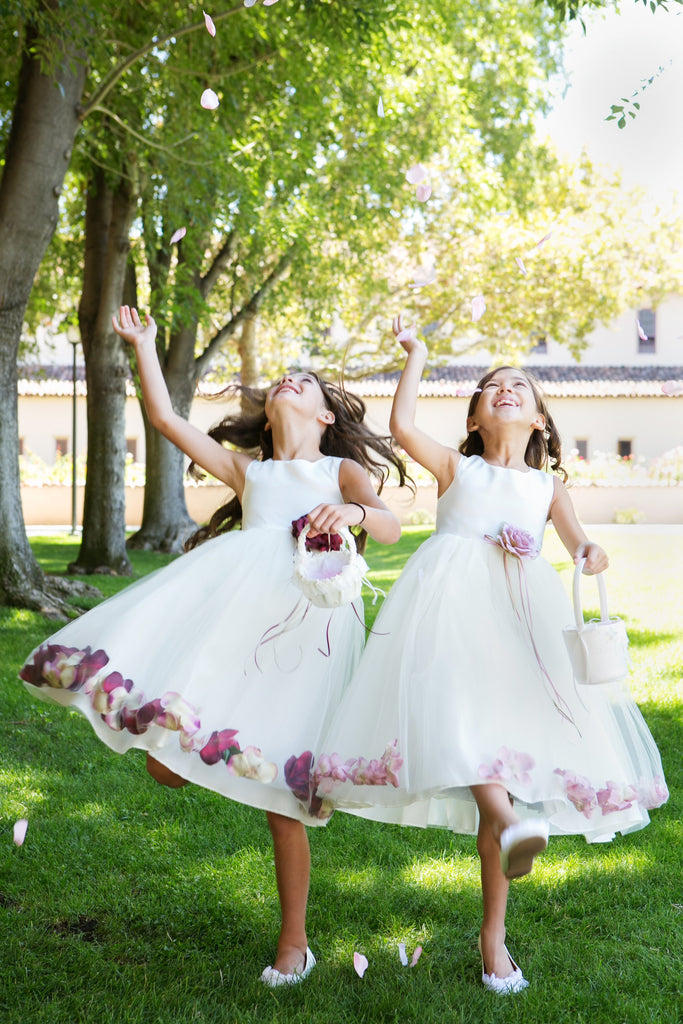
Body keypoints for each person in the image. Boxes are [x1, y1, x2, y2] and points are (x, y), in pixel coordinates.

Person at [20, 305, 405, 987]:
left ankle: (294, 943)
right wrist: (142, 344)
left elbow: (392, 522)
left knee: (281, 796)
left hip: (304, 635)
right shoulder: (247, 471)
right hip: (233, 622)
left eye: (303, 382)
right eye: (281, 380)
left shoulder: (338, 470)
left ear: (322, 416)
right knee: (165, 766)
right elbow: (167, 423)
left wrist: (352, 511)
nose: (288, 382)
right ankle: (211, 750)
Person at [311, 320, 668, 994]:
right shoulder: (457, 466)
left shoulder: (546, 488)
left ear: (538, 420)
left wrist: (591, 554)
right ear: (474, 416)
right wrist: (416, 355)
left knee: (496, 761)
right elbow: (403, 422)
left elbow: (582, 546)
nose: (504, 390)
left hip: (520, 624)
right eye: (491, 387)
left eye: (519, 388)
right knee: (462, 726)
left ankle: (493, 930)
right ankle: (507, 828)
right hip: (447, 612)